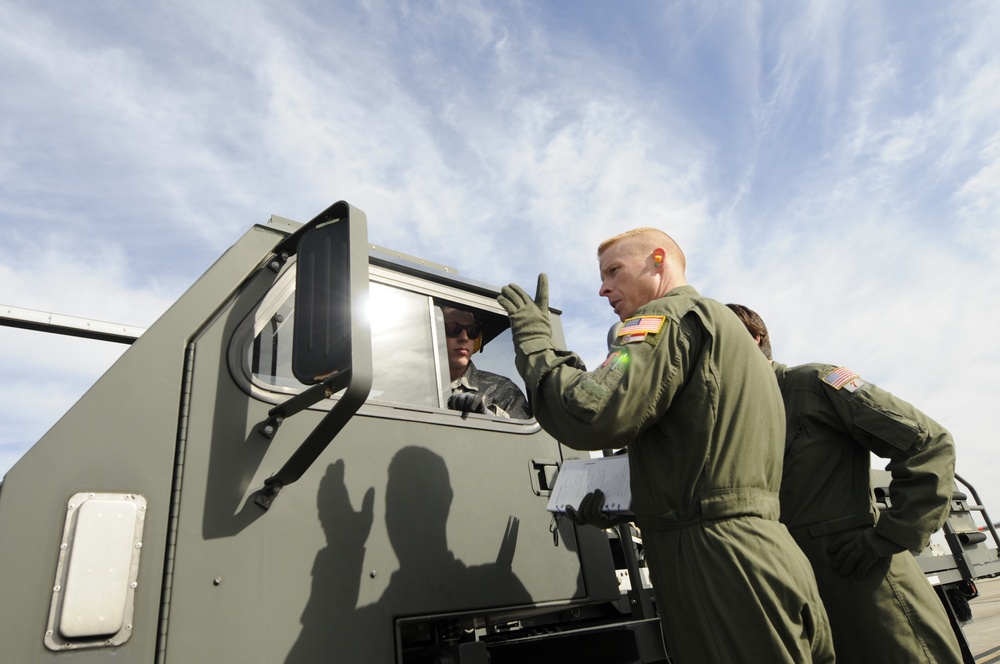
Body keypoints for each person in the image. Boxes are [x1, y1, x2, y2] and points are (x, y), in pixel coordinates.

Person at [497, 228, 834, 663]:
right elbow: (709, 466)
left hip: (716, 563)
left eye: (614, 271)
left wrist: (535, 344)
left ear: (658, 261)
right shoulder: (727, 333)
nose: (602, 289)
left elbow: (592, 411)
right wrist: (634, 505)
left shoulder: (662, 320)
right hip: (766, 552)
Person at [726, 303, 963, 663]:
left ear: (755, 339)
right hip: (797, 594)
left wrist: (890, 535)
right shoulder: (733, 422)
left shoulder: (814, 384)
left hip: (862, 581)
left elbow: (927, 442)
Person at [441, 306, 531, 419]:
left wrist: (487, 416)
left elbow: (523, 433)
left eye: (472, 330)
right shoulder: (417, 385)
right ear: (436, 333)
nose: (464, 337)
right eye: (453, 328)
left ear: (478, 340)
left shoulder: (502, 388)